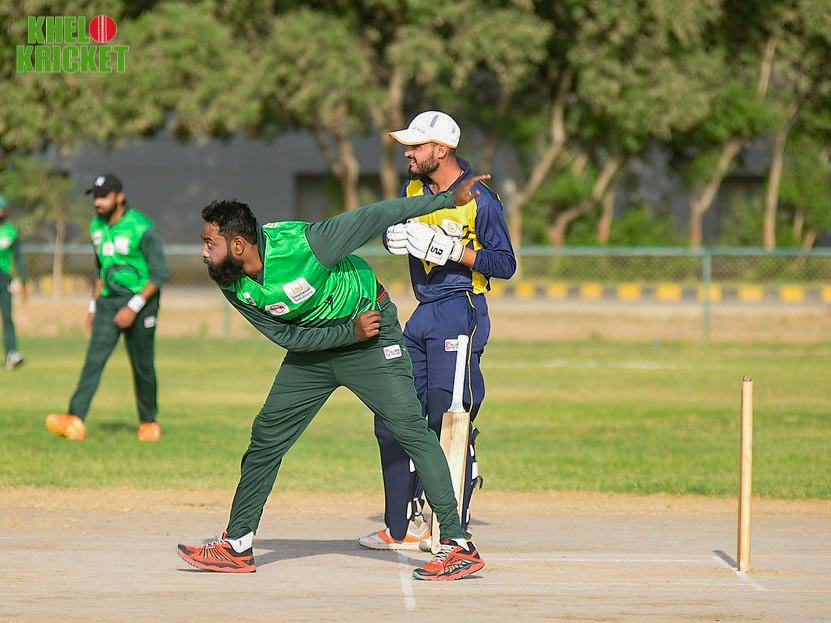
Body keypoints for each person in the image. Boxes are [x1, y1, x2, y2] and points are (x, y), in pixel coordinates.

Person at [176, 180, 490, 581]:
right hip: (320, 346)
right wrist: (346, 334)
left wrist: (447, 199)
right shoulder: (232, 281)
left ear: (238, 245)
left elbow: (376, 215)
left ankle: (458, 545)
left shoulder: (307, 244)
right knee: (267, 436)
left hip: (372, 334)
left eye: (210, 243)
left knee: (411, 431)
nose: (203, 252)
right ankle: (236, 545)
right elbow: (286, 337)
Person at [358, 111, 516, 551]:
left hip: (461, 309)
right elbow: (398, 230)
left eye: (416, 146)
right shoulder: (413, 189)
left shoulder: (480, 198)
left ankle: (452, 534)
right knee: (394, 416)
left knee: (450, 418)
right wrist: (393, 237)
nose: (408, 153)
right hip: (422, 312)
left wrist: (455, 251)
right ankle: (403, 525)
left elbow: (505, 264)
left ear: (441, 150)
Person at [46, 174, 169, 442]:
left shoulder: (141, 227)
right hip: (107, 302)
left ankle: (149, 423)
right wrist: (93, 307)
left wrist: (133, 308)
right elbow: (99, 269)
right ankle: (74, 419)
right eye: (95, 197)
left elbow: (160, 274)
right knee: (93, 361)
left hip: (141, 303)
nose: (98, 202)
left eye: (103, 196)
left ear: (119, 197)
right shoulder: (96, 227)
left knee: (142, 365)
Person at [0, 194, 28, 370]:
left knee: (7, 317)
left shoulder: (10, 231)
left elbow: (19, 258)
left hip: (4, 279)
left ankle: (11, 353)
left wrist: (23, 282)